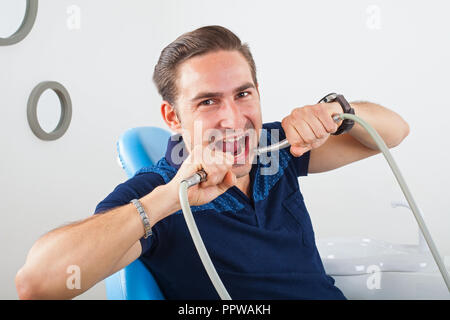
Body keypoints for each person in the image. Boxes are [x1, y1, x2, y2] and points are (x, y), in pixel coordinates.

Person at [15, 25, 409, 300]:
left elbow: (393, 132)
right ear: (172, 118)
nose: (233, 119)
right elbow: (36, 284)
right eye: (208, 101)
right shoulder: (158, 189)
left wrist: (338, 112)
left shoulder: (276, 147)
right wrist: (167, 200)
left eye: (243, 94)